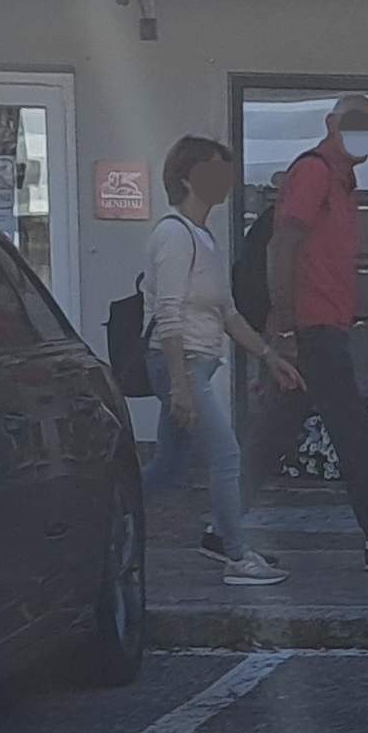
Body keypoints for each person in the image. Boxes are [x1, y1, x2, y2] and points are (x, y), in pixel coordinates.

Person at [141, 136, 305, 586]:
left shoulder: (203, 237)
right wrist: (179, 386)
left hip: (194, 364)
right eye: (215, 171)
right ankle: (237, 554)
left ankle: (105, 522)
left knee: (168, 467)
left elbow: (227, 312)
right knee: (227, 456)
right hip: (183, 363)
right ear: (185, 178)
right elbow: (168, 314)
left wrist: (269, 355)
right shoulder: (174, 235)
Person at [242, 95, 368, 570]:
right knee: (350, 431)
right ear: (332, 124)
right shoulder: (316, 172)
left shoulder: (341, 178)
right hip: (312, 331)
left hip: (316, 329)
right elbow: (281, 249)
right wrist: (284, 328)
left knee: (273, 434)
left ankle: (220, 526)